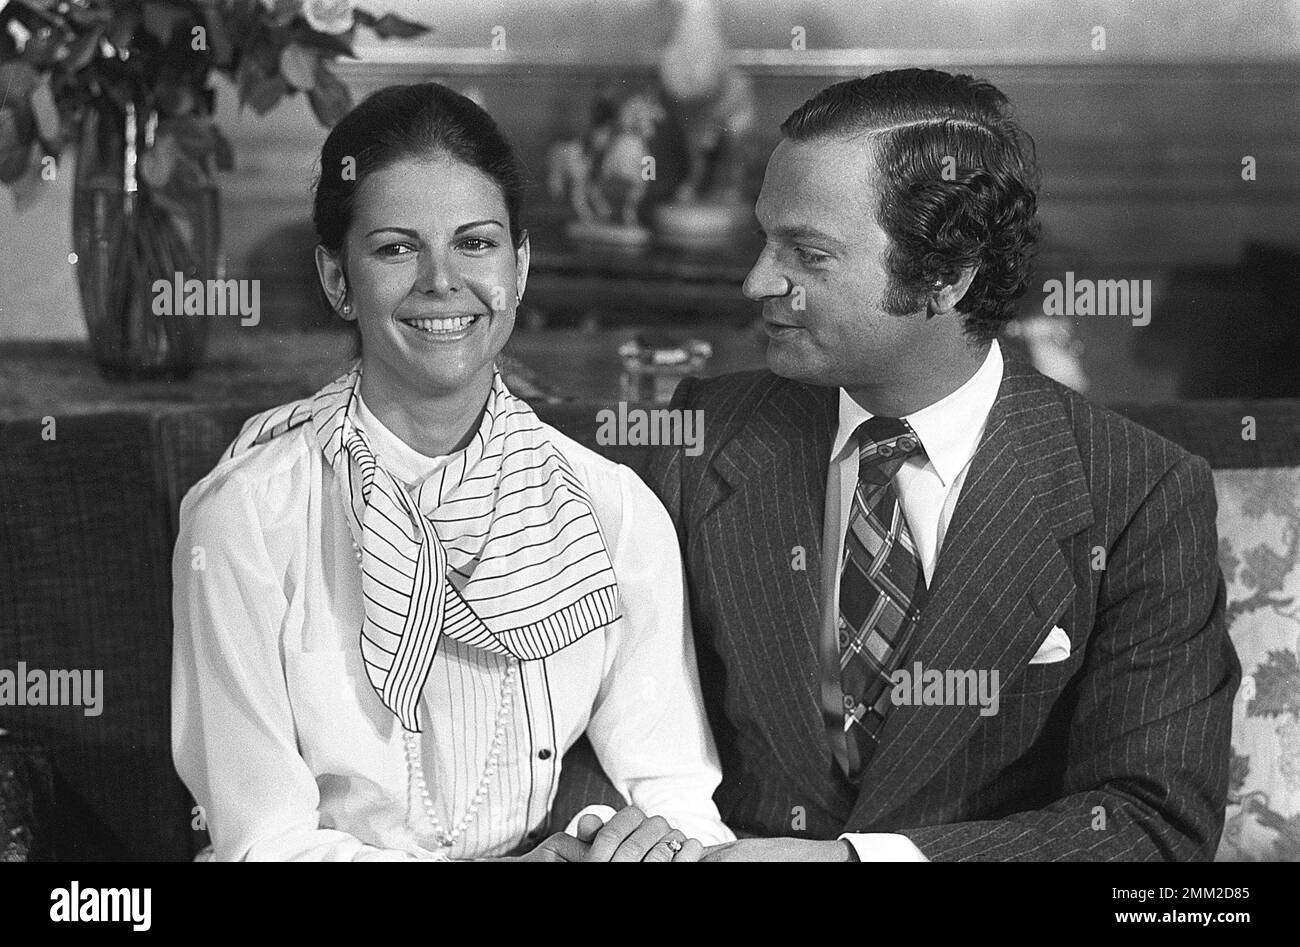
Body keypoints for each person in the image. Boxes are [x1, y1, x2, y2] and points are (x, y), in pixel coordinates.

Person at [645, 69, 1240, 861]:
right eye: (764, 238)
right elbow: (585, 711)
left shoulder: (1139, 493)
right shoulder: (702, 436)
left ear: (944, 276)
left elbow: (1152, 825)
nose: (758, 280)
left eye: (808, 254)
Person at [171, 82, 732, 862]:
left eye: (475, 242)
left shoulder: (613, 514)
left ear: (521, 267)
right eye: (397, 247)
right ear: (337, 279)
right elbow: (260, 842)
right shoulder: (245, 519)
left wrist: (655, 846)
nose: (443, 280)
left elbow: (675, 790)